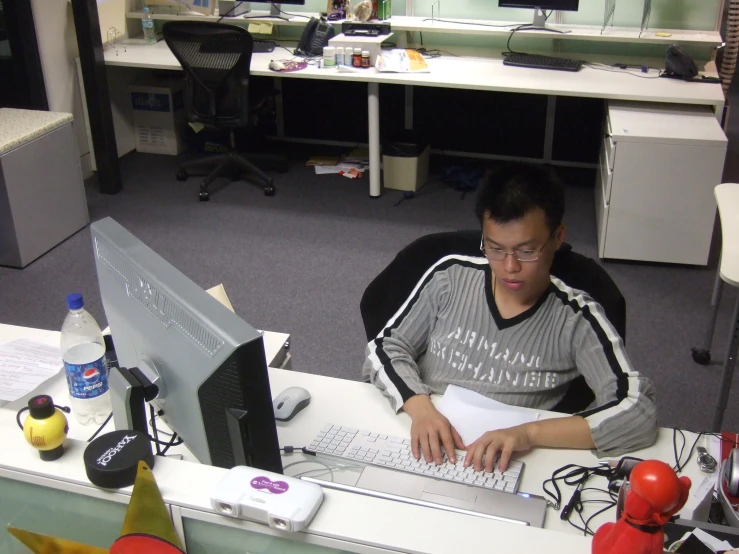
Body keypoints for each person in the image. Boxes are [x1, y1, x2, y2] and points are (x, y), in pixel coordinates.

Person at [362, 163, 657, 474]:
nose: (509, 267)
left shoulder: (576, 319)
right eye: (495, 248)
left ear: (557, 237)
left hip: (502, 462)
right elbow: (385, 348)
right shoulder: (450, 278)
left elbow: (636, 410)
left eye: (527, 251)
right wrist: (420, 408)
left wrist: (529, 433)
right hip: (419, 432)